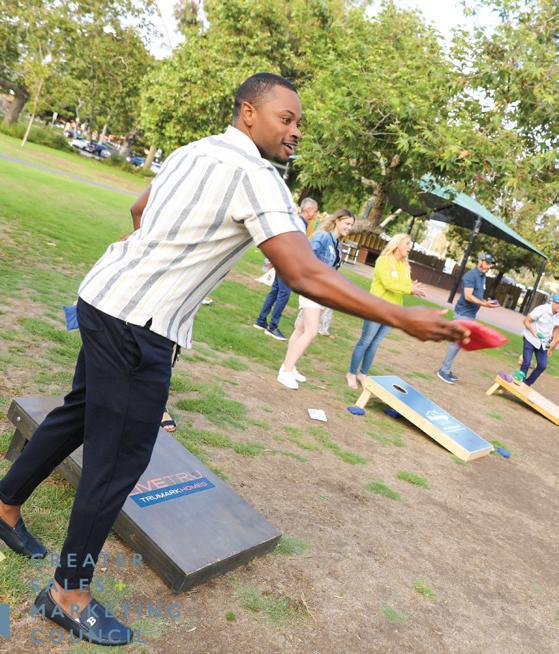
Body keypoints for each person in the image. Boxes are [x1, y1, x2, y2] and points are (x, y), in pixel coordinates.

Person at [0, 72, 467, 645]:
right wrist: (401, 316)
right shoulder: (257, 175)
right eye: (285, 119)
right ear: (249, 112)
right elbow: (303, 272)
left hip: (104, 298)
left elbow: (139, 207)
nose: (295, 132)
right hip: (137, 326)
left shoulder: (194, 150)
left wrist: (158, 262)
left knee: (78, 413)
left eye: (299, 123)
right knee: (116, 460)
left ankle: (4, 505)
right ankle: (67, 595)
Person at [277, 209, 355, 389]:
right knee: (311, 331)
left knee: (300, 329)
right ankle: (285, 372)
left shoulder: (337, 243)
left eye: (351, 225)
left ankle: (289, 365)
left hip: (322, 292)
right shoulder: (322, 237)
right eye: (347, 223)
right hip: (311, 288)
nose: (349, 228)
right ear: (337, 221)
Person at [346, 233, 425, 389]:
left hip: (393, 311)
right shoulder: (383, 261)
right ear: (397, 244)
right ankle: (351, 373)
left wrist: (411, 287)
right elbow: (389, 284)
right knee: (365, 341)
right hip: (377, 308)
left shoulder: (405, 266)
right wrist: (409, 288)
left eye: (410, 244)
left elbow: (404, 286)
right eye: (407, 244)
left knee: (375, 344)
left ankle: (363, 374)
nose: (410, 247)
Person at [253, 197, 319, 340]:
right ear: (309, 210)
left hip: (282, 261)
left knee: (275, 290)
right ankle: (272, 327)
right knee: (284, 293)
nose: (316, 214)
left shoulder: (299, 222)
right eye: (315, 211)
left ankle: (261, 320)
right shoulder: (299, 223)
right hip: (287, 263)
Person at [437, 252, 497, 384]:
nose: (488, 266)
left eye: (490, 264)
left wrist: (486, 302)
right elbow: (468, 296)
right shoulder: (470, 275)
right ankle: (443, 371)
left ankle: (446, 369)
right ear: (480, 261)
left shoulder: (482, 277)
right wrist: (484, 304)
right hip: (463, 313)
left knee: (458, 343)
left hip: (470, 315)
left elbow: (477, 295)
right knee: (455, 343)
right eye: (487, 263)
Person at [517, 293, 559, 387]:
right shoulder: (542, 309)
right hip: (530, 338)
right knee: (526, 362)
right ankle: (520, 382)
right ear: (553, 302)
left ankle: (527, 383)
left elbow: (555, 330)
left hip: (544, 343)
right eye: (558, 303)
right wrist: (534, 332)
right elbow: (526, 321)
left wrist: (551, 344)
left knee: (542, 365)